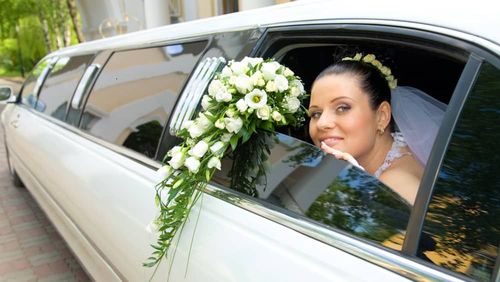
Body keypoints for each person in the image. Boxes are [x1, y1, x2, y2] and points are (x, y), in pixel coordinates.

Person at [308, 53, 424, 205]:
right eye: (316, 113)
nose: (322, 123)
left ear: (382, 116)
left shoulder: (395, 186)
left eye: (342, 108)